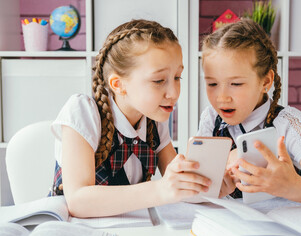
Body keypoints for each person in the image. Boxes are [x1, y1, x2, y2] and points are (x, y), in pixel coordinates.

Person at [50, 19, 211, 218]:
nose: (174, 93)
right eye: (159, 80)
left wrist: (212, 185)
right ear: (118, 84)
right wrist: (160, 190)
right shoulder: (83, 111)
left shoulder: (155, 119)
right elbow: (78, 201)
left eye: (177, 77)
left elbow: (180, 185)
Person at [198, 19, 301, 208]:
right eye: (212, 84)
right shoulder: (211, 118)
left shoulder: (287, 123)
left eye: (236, 84)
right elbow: (202, 187)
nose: (222, 98)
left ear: (266, 82)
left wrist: (291, 186)